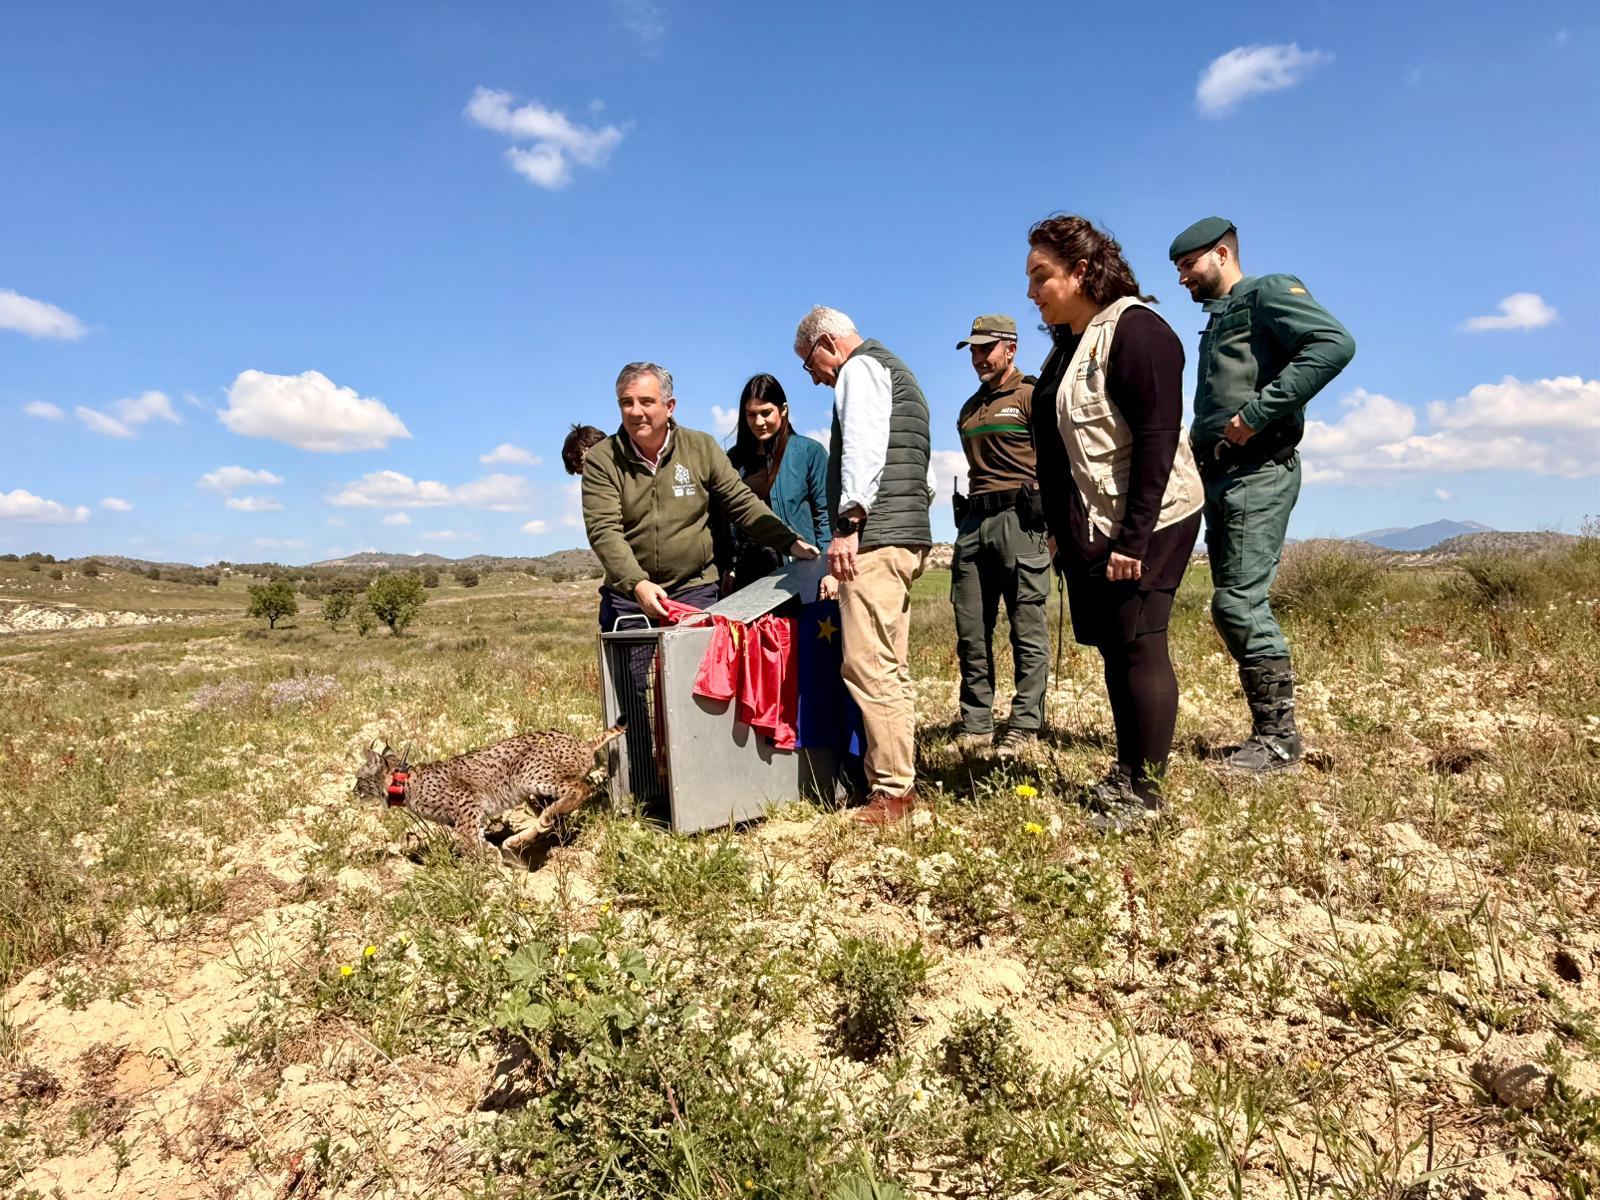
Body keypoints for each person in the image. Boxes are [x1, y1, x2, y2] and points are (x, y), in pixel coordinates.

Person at [1026, 215, 1204, 833]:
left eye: (1041, 276)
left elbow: (1157, 443)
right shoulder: (1069, 345)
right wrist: (1059, 529)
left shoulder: (1138, 331)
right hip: (1093, 523)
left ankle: (1147, 795)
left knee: (1140, 643)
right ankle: (1128, 771)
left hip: (1150, 520)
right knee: (1114, 645)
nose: (1031, 292)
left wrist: (1133, 539)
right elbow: (1057, 453)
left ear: (1081, 271)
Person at [1169, 217, 1356, 773]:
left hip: (1258, 471)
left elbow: (1333, 345)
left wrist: (1257, 413)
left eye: (1188, 265)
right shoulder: (1220, 317)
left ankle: (1279, 742)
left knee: (1238, 603)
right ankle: (1271, 735)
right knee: (1233, 602)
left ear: (1222, 254)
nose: (1182, 278)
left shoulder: (1268, 292)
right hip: (1223, 476)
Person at [793, 306, 932, 825]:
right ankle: (899, 778)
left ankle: (892, 792)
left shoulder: (859, 369)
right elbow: (919, 469)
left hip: (875, 540)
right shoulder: (901, 373)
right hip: (907, 534)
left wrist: (849, 525)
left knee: (868, 664)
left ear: (827, 343)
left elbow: (863, 448)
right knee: (890, 665)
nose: (815, 377)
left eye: (810, 364)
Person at [949, 315, 1051, 759]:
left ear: (1011, 348)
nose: (978, 357)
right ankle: (976, 722)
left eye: (985, 348)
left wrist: (1054, 524)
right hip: (974, 523)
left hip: (1020, 521)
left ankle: (1025, 724)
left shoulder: (1032, 396)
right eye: (972, 350)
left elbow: (1057, 461)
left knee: (1026, 628)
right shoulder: (969, 408)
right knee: (971, 630)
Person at [719, 373, 832, 592]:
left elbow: (825, 515)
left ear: (783, 409)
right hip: (747, 572)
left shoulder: (810, 453)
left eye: (766, 413)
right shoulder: (733, 459)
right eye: (751, 414)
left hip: (799, 568)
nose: (759, 422)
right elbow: (727, 521)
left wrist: (828, 569)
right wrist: (728, 567)